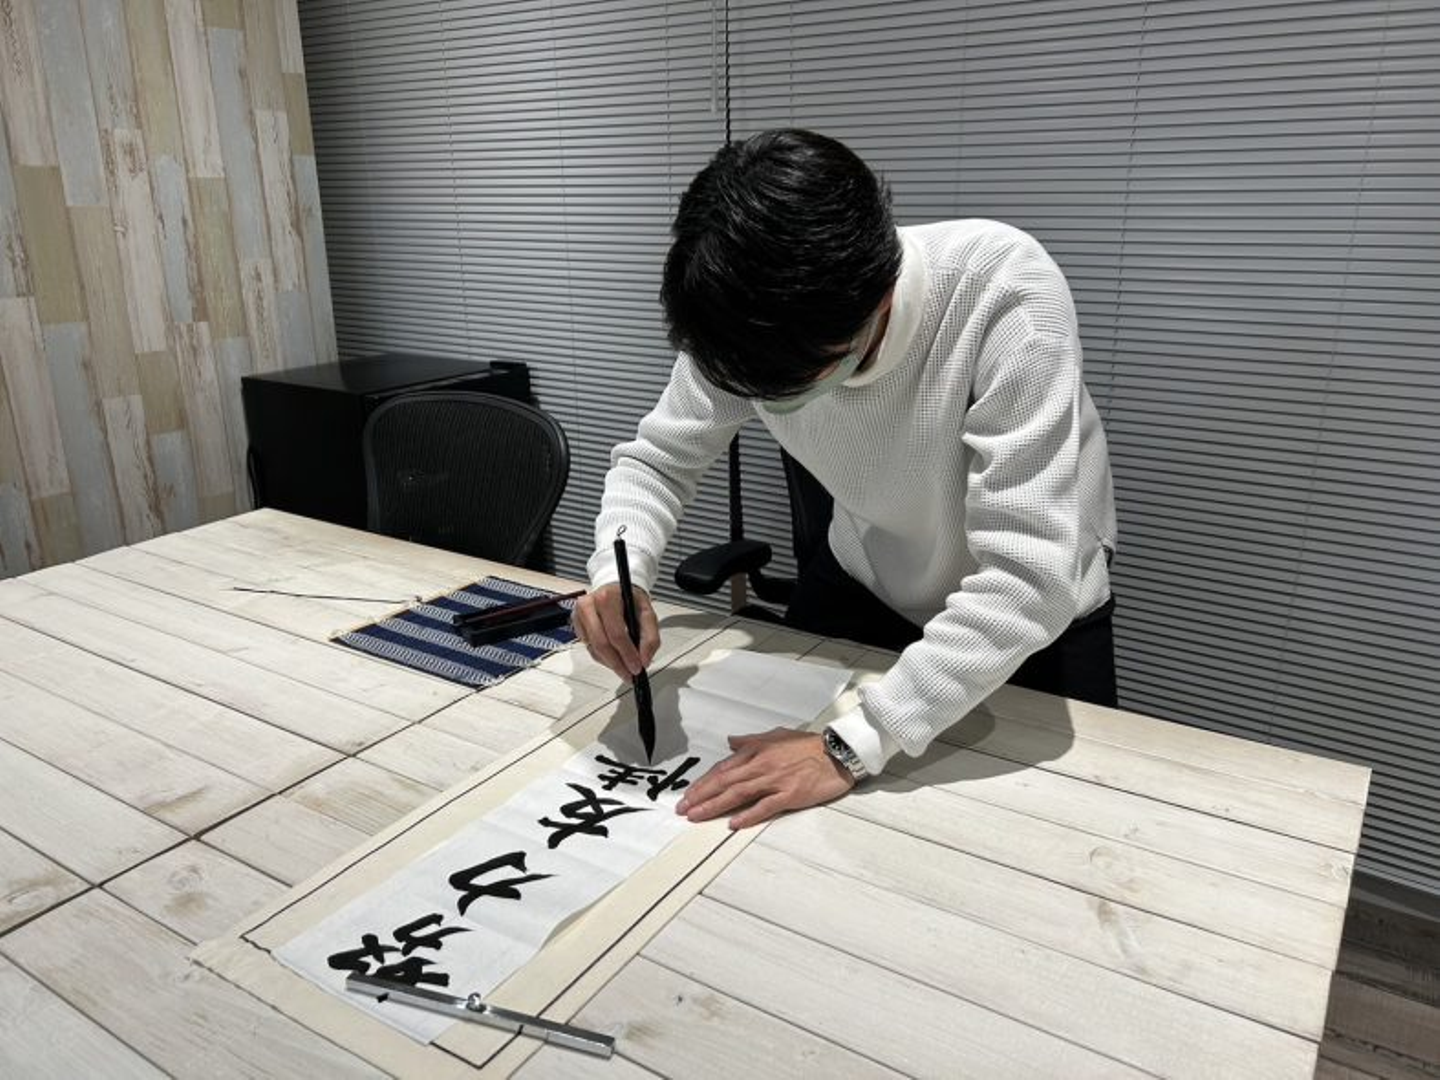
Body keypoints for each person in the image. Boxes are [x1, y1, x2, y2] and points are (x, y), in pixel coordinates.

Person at [572, 129, 1117, 830]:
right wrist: (618, 573)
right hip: (864, 579)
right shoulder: (742, 317)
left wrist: (850, 745)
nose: (767, 399)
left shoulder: (1002, 294)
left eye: (793, 384)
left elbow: (1030, 576)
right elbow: (657, 462)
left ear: (878, 300)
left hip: (1029, 619)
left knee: (1039, 834)